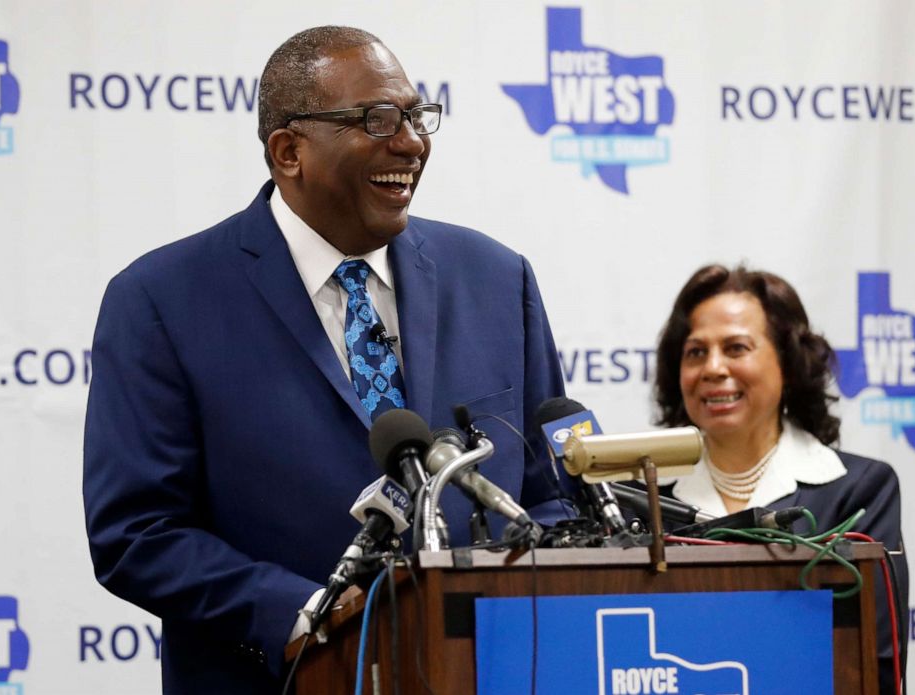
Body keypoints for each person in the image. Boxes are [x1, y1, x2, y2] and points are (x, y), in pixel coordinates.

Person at [83, 26, 567, 694]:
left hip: (485, 670)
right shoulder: (162, 300)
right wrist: (304, 614)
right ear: (290, 151)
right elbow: (137, 533)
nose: (411, 143)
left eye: (416, 117)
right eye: (377, 119)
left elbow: (551, 496)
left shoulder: (495, 278)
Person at [652, 263, 908, 694]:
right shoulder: (643, 497)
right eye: (696, 352)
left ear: (787, 364)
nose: (713, 368)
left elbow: (876, 658)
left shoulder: (860, 490)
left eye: (736, 348)